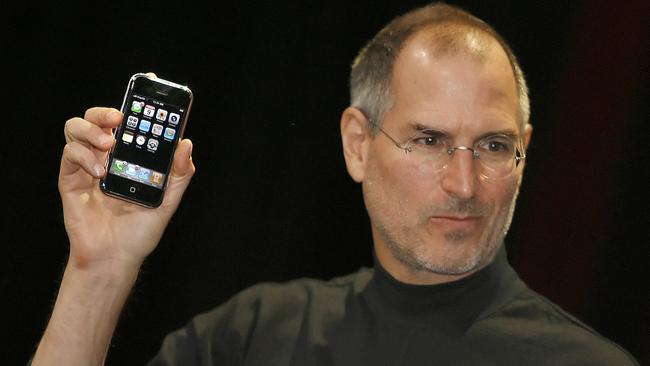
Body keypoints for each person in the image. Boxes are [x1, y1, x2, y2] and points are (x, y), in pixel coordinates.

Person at [32, 3, 639, 365]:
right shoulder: (252, 336)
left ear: (524, 154)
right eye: (428, 141)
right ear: (357, 144)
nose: (464, 183)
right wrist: (99, 269)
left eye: (493, 147)